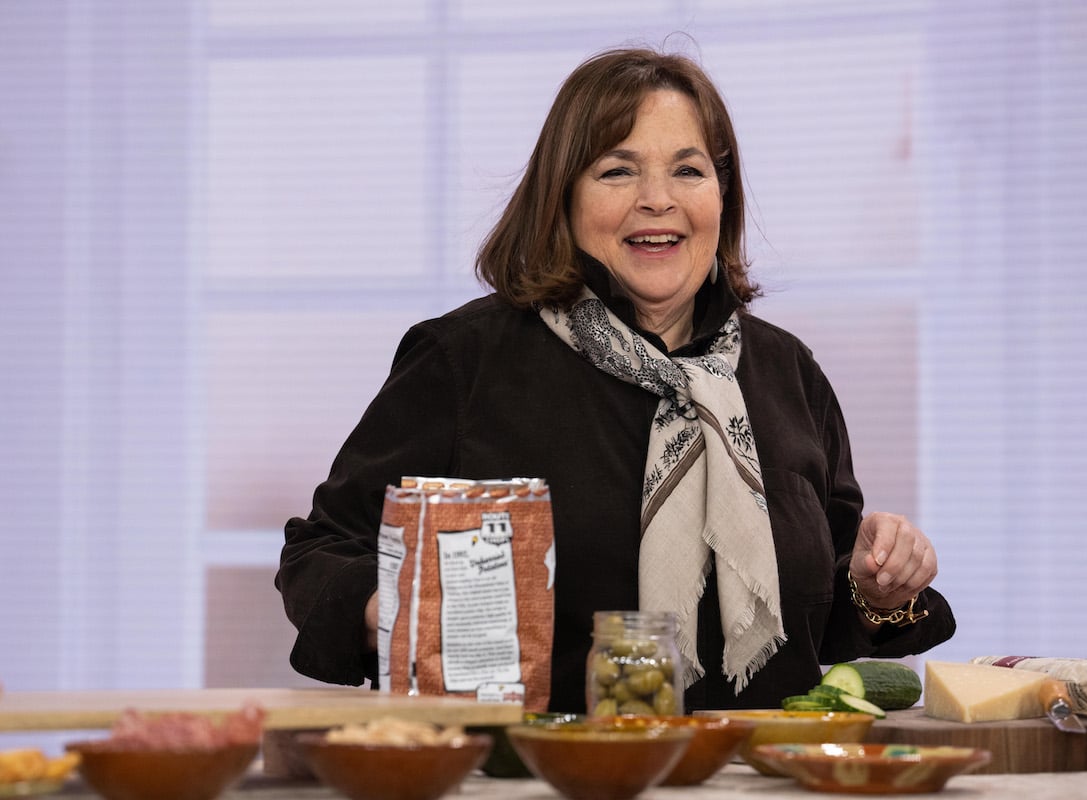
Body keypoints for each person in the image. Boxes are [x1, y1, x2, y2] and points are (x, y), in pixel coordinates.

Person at [277, 45, 955, 713]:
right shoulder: (464, 362)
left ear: (722, 195)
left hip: (758, 781)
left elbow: (817, 617)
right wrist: (402, 609)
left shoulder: (787, 374)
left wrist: (879, 588)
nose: (656, 200)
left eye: (688, 171)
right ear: (563, 197)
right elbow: (321, 552)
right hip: (538, 779)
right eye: (617, 172)